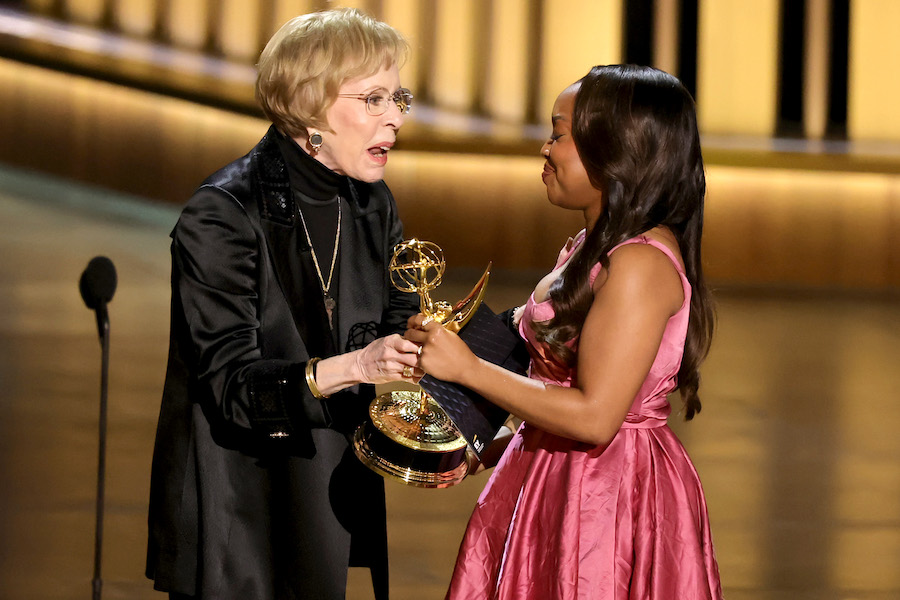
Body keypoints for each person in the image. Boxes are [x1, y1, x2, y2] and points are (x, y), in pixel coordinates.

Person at [405, 65, 723, 599]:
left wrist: (467, 368)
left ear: (616, 151)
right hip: (555, 478)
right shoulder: (589, 246)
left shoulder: (640, 265)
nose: (545, 150)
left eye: (558, 134)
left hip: (608, 497)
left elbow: (596, 418)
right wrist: (488, 444)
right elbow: (557, 396)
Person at [146, 9, 423, 600]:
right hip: (243, 509)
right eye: (373, 99)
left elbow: (405, 324)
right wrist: (356, 367)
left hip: (333, 493)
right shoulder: (222, 213)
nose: (396, 118)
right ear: (309, 105)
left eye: (398, 97)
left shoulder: (372, 204)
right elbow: (232, 390)